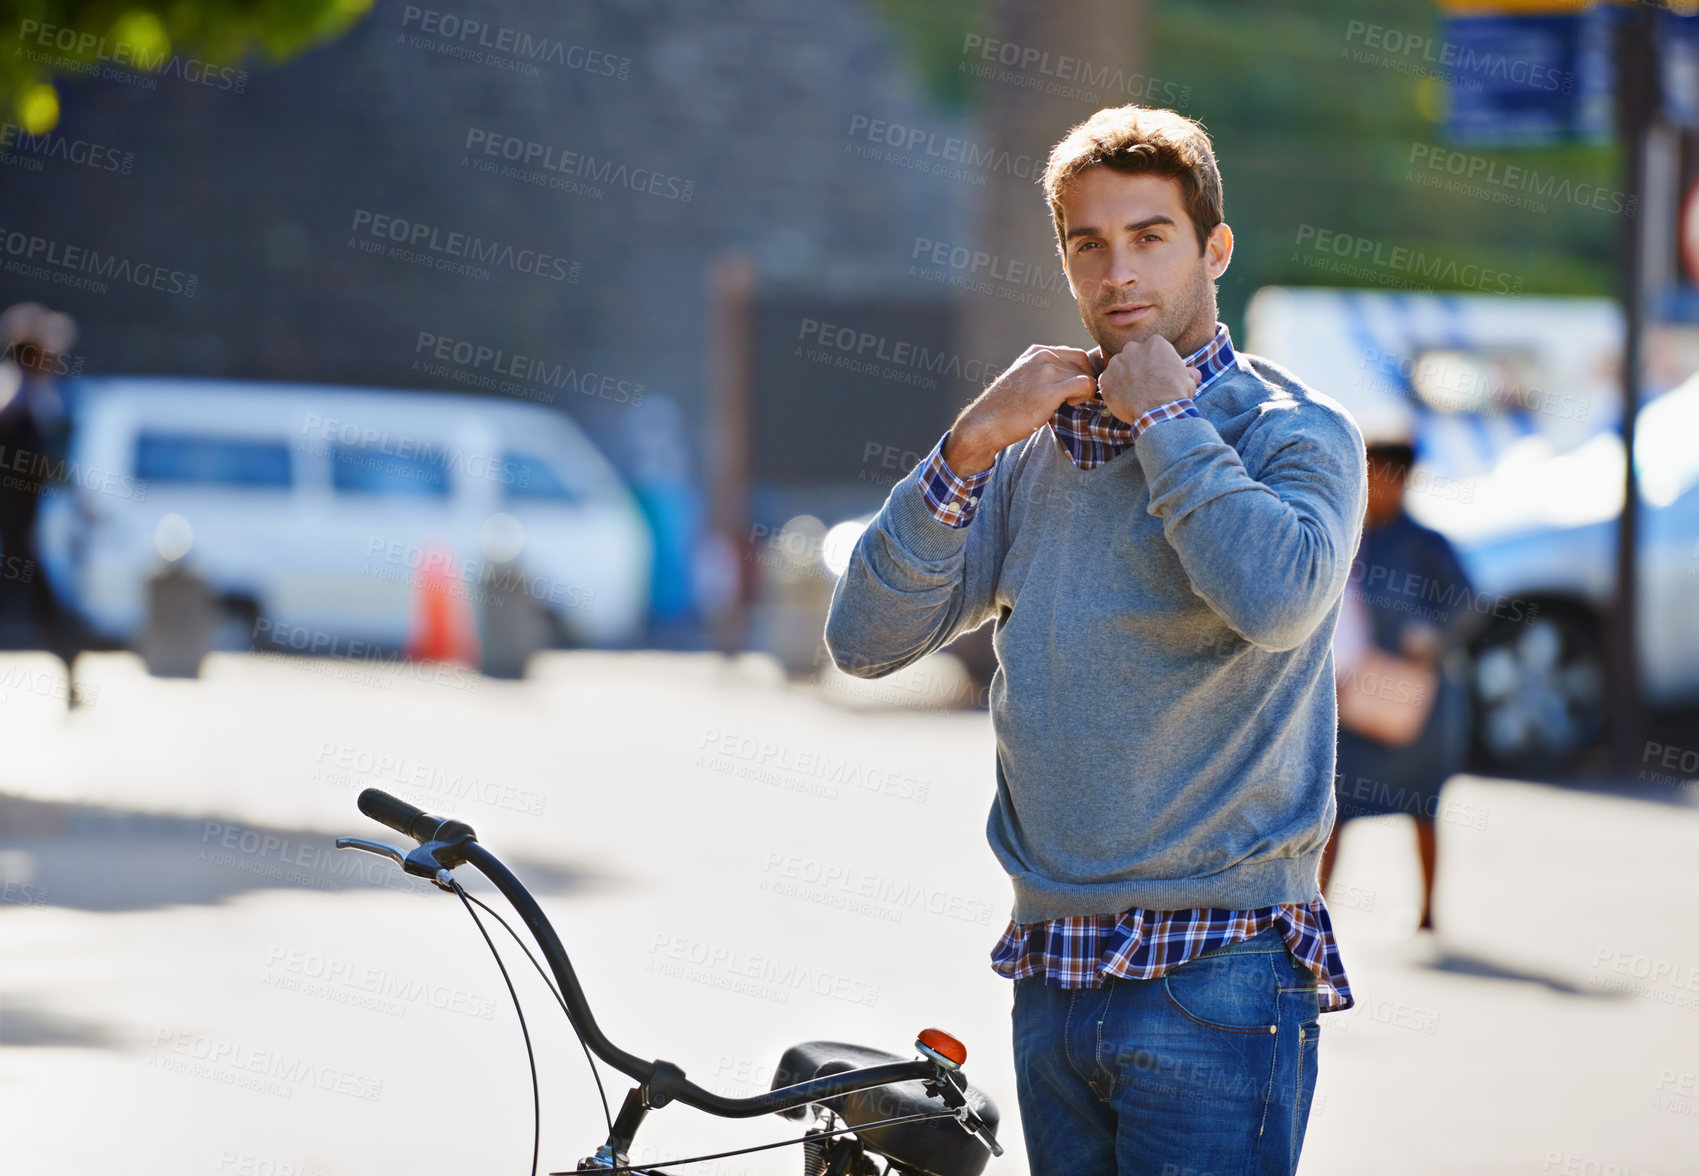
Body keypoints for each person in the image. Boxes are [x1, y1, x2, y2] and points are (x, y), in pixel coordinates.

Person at [825, 105, 1366, 1175]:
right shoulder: (1031, 457)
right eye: (1088, 242)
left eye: (1150, 236)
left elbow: (1278, 602)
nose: (1117, 271)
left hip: (1219, 968)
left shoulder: (1290, 432)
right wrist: (968, 446)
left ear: (1213, 247)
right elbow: (864, 640)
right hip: (1052, 963)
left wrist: (1169, 424)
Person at [1321, 439, 1475, 932]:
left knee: (1423, 805)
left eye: (1383, 472)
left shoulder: (1427, 543)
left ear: (1403, 478)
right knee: (1335, 806)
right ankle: (1318, 907)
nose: (1374, 483)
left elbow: (1469, 605)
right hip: (1350, 696)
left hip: (1420, 704)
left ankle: (1428, 912)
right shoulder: (1344, 532)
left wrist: (1430, 638)